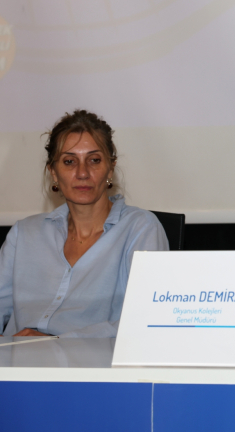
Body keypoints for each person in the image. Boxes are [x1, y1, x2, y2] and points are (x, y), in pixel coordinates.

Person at [0, 110, 168, 338]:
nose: (82, 173)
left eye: (94, 160)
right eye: (69, 161)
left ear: (110, 168)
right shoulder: (24, 233)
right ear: (53, 172)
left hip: (94, 360)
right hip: (15, 359)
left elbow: (146, 320)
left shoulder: (141, 229)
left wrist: (57, 343)